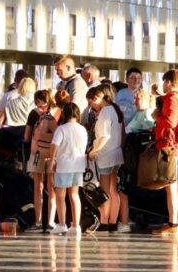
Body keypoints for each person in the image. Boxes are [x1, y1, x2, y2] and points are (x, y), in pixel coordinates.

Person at [152, 69, 178, 235]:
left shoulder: (172, 99)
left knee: (172, 188)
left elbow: (171, 121)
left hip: (170, 147)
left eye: (164, 82)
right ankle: (173, 223)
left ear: (168, 82)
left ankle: (173, 224)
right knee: (176, 187)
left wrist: (156, 117)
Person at [86, 85, 124, 233]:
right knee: (114, 191)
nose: (92, 106)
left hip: (106, 155)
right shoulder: (115, 110)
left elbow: (104, 136)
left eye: (91, 102)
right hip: (116, 154)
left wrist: (93, 151)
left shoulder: (105, 112)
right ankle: (113, 222)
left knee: (104, 191)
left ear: (98, 98)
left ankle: (104, 221)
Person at [48, 102, 88, 237]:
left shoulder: (61, 129)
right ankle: (76, 226)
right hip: (78, 165)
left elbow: (54, 145)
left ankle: (62, 223)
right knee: (74, 195)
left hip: (64, 164)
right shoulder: (82, 129)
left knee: (60, 195)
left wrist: (52, 160)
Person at [24, 89, 59, 231]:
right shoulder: (58, 113)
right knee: (52, 188)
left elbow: (27, 135)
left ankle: (38, 221)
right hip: (53, 153)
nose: (38, 105)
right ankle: (51, 221)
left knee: (38, 187)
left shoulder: (34, 114)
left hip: (37, 153)